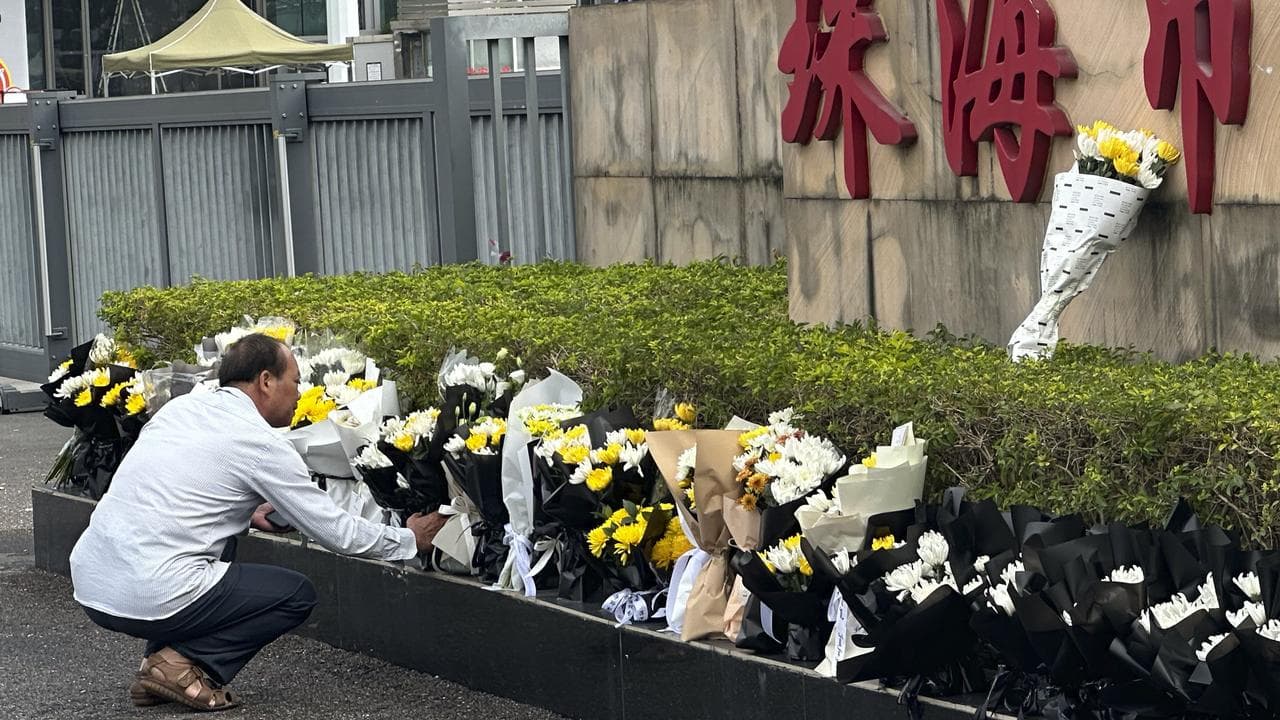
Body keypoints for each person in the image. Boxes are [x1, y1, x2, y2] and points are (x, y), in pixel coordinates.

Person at [69, 333, 446, 712]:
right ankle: (180, 665)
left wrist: (246, 510)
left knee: (224, 543)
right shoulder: (259, 442)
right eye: (296, 381)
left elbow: (167, 484)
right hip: (148, 594)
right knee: (294, 595)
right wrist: (408, 539)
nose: (301, 393)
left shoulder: (180, 409)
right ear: (266, 381)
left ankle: (159, 664)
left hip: (91, 584)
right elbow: (335, 532)